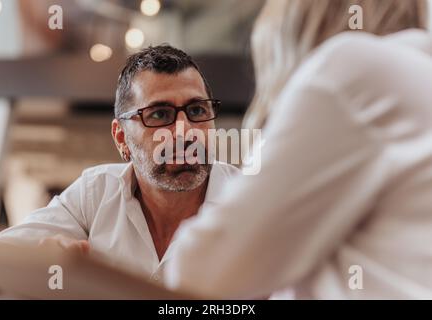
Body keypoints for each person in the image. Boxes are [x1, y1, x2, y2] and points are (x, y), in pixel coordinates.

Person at [164, 0, 432, 299]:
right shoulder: (416, 77)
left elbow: (203, 273)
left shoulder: (350, 65)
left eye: (198, 111)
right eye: (160, 115)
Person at [0, 45, 239, 283]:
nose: (186, 132)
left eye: (197, 110)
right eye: (160, 114)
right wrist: (41, 260)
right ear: (121, 137)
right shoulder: (95, 194)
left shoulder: (248, 200)